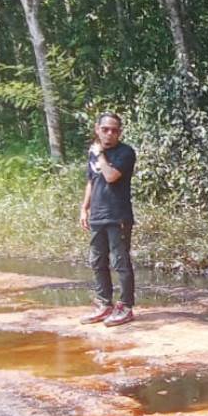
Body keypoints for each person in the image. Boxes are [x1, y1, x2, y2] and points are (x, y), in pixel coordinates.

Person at [79, 112, 138, 327]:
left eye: (114, 130)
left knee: (120, 262)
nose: (110, 133)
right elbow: (91, 181)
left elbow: (111, 176)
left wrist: (101, 155)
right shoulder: (93, 153)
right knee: (97, 260)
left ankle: (126, 307)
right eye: (105, 129)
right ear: (97, 129)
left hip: (118, 215)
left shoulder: (126, 152)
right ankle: (104, 304)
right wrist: (84, 208)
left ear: (119, 133)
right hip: (97, 215)